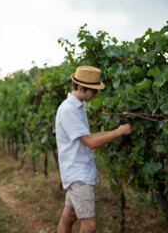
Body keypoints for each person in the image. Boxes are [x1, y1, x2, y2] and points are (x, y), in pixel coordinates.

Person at [55, 66, 132, 233]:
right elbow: (91, 142)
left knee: (68, 217)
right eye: (94, 91)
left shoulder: (77, 106)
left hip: (77, 171)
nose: (96, 94)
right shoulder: (68, 110)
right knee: (90, 226)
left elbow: (88, 136)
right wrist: (119, 132)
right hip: (78, 174)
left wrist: (118, 130)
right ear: (81, 88)